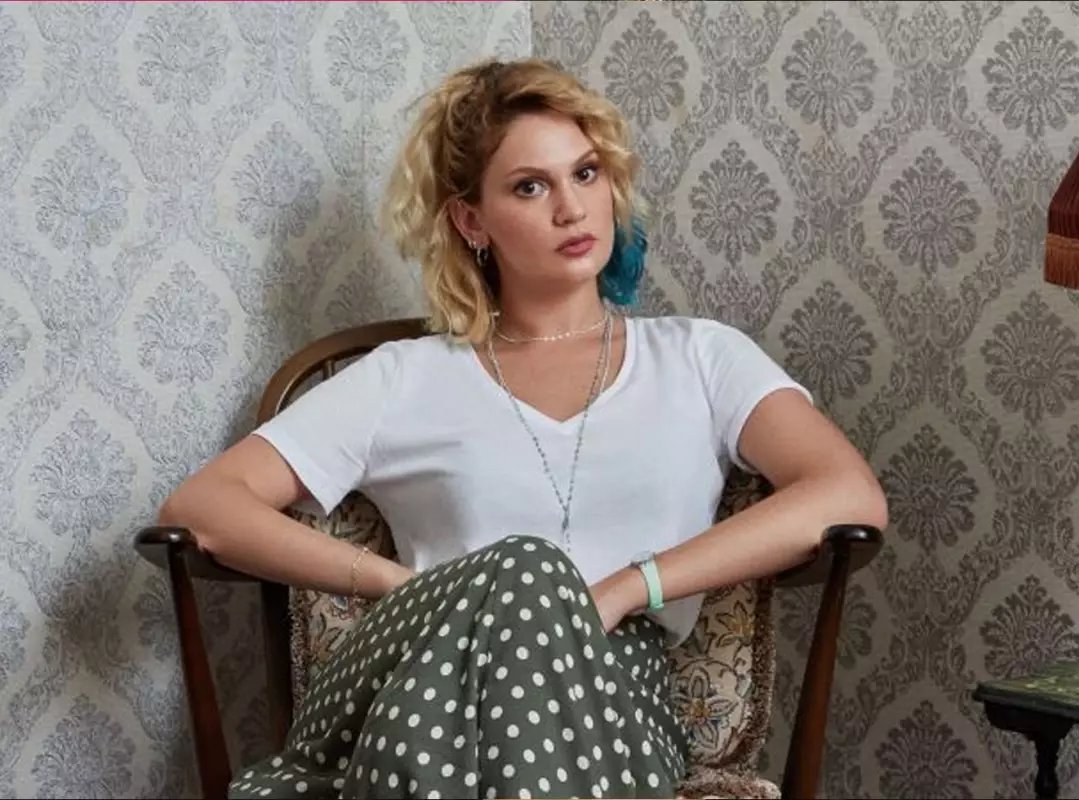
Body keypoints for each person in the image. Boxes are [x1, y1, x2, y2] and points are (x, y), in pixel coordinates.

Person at [159, 57, 888, 800]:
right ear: (471, 221)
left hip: (616, 712)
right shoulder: (406, 376)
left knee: (533, 574)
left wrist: (627, 588)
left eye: (586, 173)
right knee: (524, 568)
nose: (571, 209)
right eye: (530, 186)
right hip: (420, 686)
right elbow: (204, 507)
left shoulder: (700, 357)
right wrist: (413, 589)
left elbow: (846, 493)